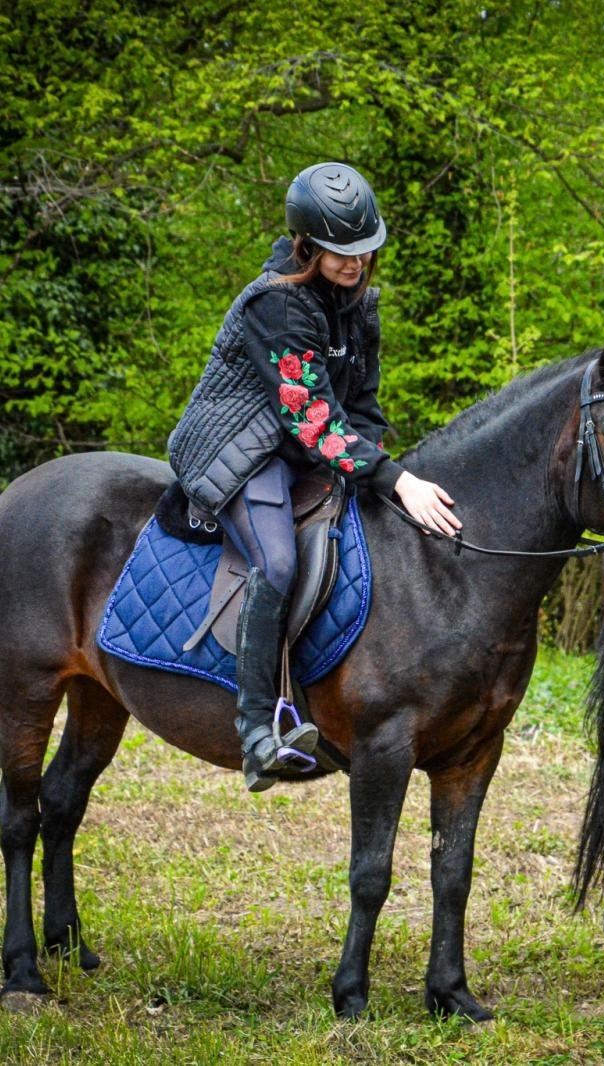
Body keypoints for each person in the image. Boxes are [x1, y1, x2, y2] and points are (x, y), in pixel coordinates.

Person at [168, 162, 461, 791]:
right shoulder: (275, 303)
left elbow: (363, 407)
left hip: (307, 451)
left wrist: (375, 461)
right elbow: (313, 417)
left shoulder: (360, 304)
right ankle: (256, 729)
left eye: (364, 249)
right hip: (239, 447)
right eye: (339, 252)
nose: (355, 263)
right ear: (306, 245)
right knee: (277, 563)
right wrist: (397, 479)